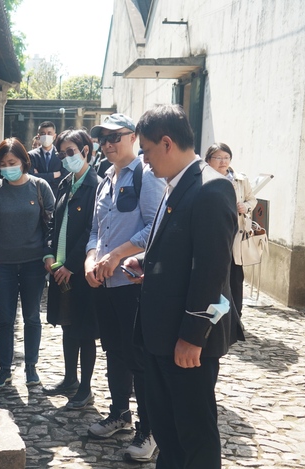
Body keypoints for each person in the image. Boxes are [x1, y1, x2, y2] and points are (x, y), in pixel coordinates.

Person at [123, 104, 244, 468]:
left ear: (166, 143)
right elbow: (179, 248)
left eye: (146, 150)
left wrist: (193, 335)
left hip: (187, 341)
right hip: (162, 335)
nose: (144, 160)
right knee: (168, 431)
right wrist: (146, 264)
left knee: (194, 434)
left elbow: (212, 269)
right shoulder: (176, 183)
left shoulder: (212, 188)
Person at [83, 113, 165, 462]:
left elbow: (156, 227)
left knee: (138, 358)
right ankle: (120, 413)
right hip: (105, 283)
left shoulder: (147, 175)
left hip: (132, 282)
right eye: (103, 138)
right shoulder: (105, 179)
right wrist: (90, 259)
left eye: (115, 137)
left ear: (133, 137)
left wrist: (117, 254)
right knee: (114, 351)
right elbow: (95, 230)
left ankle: (150, 430)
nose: (108, 144)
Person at [0, 138, 55, 389]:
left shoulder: (39, 186)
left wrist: (49, 255)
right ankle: (4, 369)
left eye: (12, 162)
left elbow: (52, 225)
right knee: (5, 318)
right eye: (3, 164)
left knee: (32, 316)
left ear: (24, 161)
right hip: (3, 264)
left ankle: (31, 367)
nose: (8, 168)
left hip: (34, 263)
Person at [43, 129, 100, 410]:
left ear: (85, 151)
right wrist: (49, 253)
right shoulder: (66, 182)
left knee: (85, 330)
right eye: (61, 153)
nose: (66, 158)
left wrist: (71, 265)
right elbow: (54, 221)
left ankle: (86, 388)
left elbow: (92, 230)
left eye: (70, 152)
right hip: (59, 268)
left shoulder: (95, 185)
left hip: (81, 270)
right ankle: (69, 378)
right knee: (67, 325)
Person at [205, 143, 257, 317]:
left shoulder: (240, 180)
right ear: (208, 160)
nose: (223, 162)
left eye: (226, 158)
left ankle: (236, 318)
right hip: (213, 235)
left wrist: (245, 206)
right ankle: (214, 316)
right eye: (218, 158)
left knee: (235, 277)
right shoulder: (203, 179)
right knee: (215, 275)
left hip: (235, 236)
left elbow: (252, 200)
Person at [28, 121, 67, 195]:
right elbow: (30, 177)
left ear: (54, 136)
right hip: (37, 195)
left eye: (49, 133)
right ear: (38, 136)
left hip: (57, 194)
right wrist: (53, 175)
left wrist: (40, 175)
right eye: (43, 134)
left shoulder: (62, 154)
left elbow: (64, 177)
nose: (46, 136)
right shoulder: (31, 155)